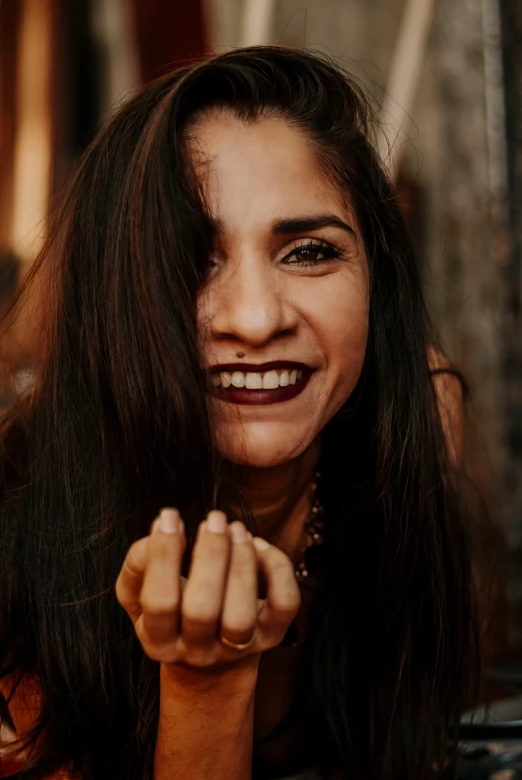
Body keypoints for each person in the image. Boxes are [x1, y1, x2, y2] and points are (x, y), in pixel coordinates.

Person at [0, 46, 479, 780]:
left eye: (310, 251)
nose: (254, 319)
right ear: (112, 302)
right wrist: (208, 685)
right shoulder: (17, 533)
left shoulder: (416, 430)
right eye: (191, 260)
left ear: (375, 283)